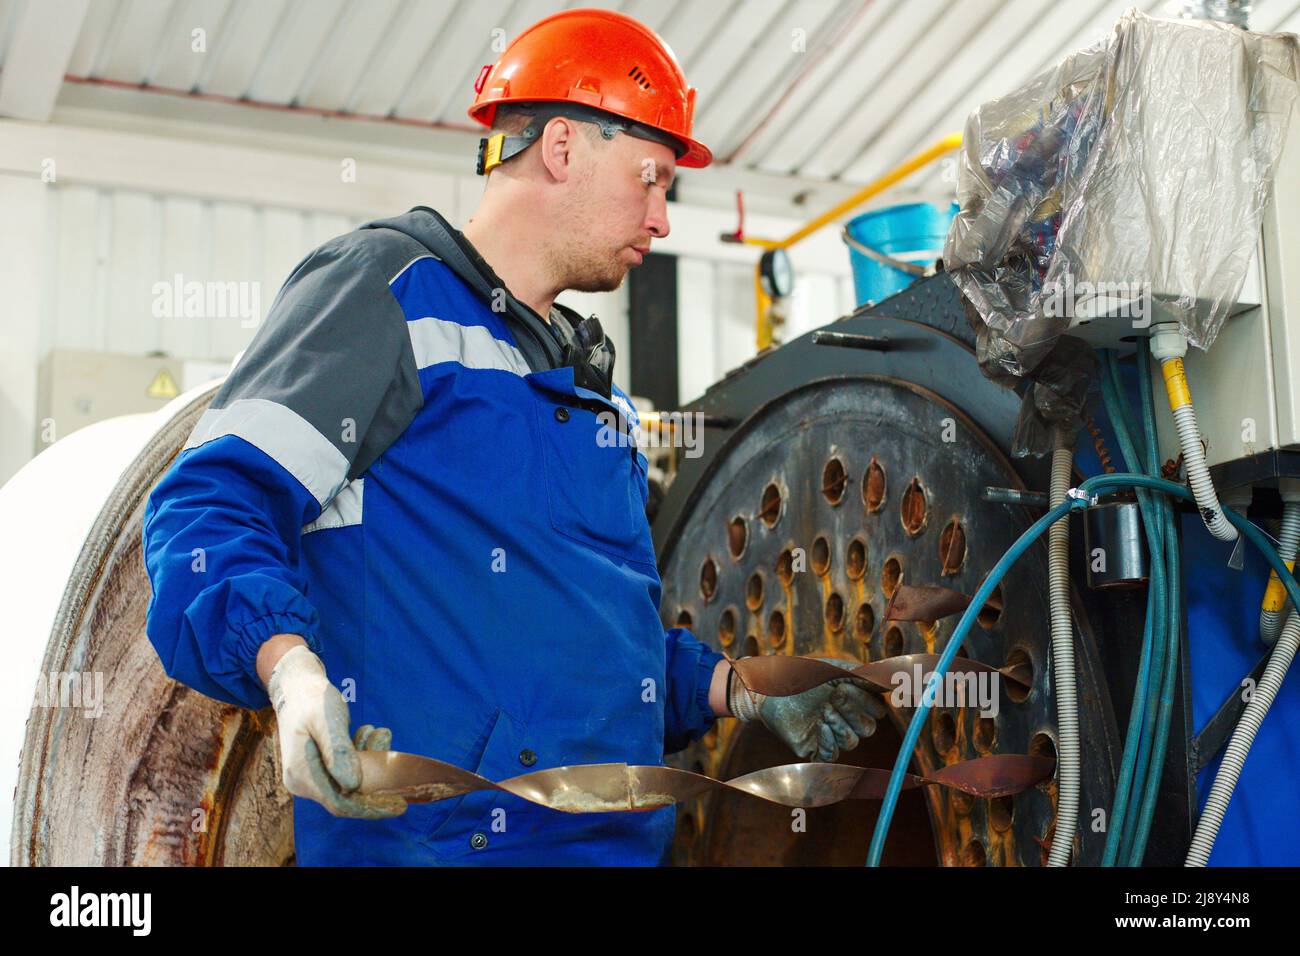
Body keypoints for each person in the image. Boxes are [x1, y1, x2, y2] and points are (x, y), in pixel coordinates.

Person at [142, 7, 884, 866]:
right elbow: (207, 503)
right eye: (651, 179)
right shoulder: (386, 293)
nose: (663, 218)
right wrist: (287, 666)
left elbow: (604, 650)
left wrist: (740, 691)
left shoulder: (597, 402)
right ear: (562, 148)